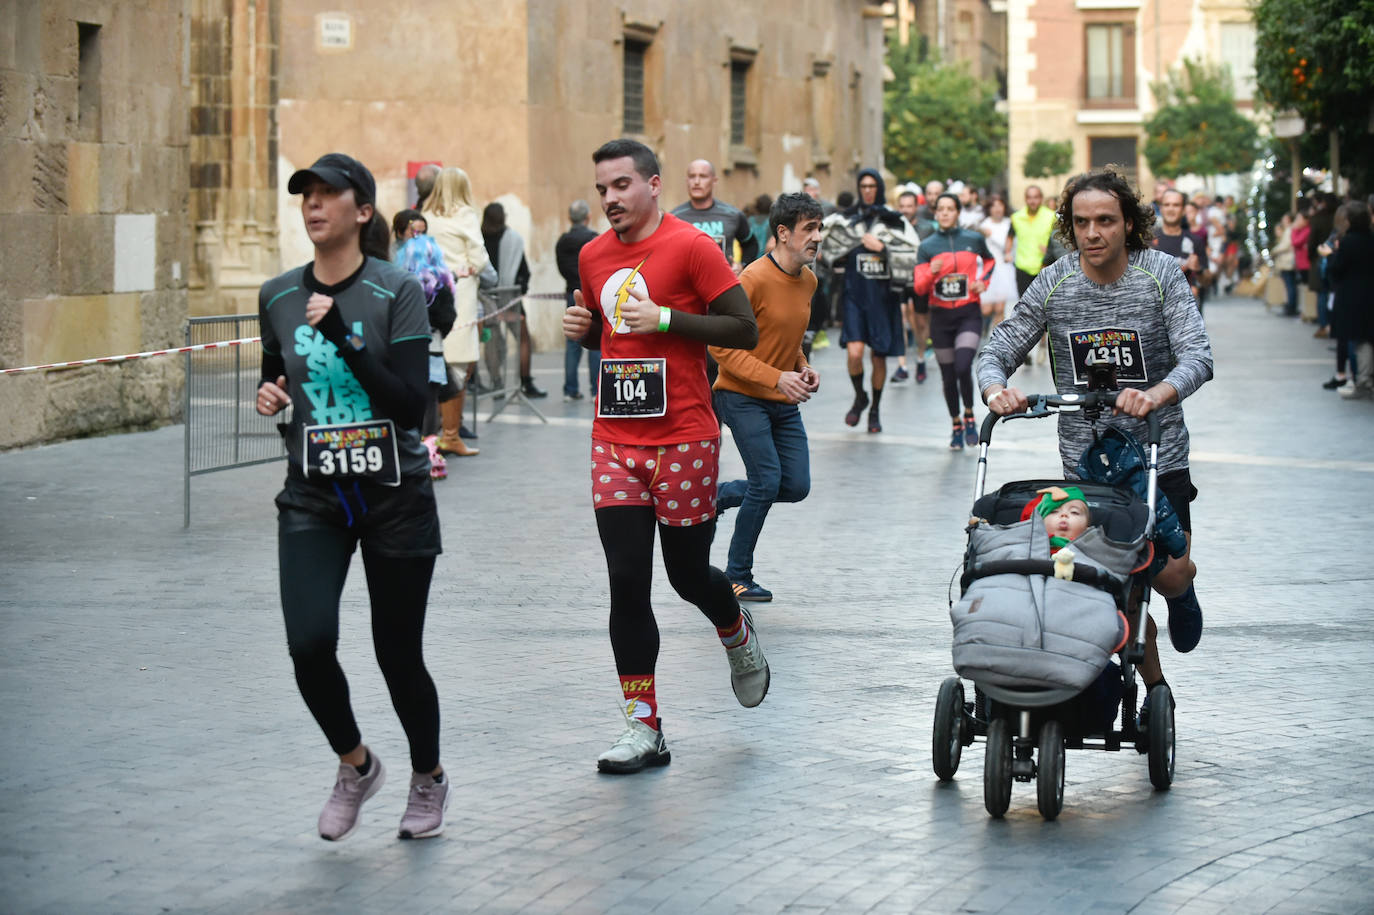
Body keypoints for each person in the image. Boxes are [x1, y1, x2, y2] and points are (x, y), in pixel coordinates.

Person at [255, 153, 450, 841]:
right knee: (309, 642)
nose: (313, 204)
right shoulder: (277, 294)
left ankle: (427, 776)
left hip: (394, 492)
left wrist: (340, 332)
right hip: (312, 492)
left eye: (328, 193)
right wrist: (267, 392)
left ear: (362, 211)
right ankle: (356, 763)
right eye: (305, 194)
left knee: (398, 653)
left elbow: (413, 407)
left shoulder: (397, 289)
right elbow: (276, 371)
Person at [978, 166, 1214, 722]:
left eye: (1105, 220)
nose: (1093, 233)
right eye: (1081, 222)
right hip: (1086, 467)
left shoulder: (1160, 274)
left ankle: (1183, 593)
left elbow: (1198, 356)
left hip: (1158, 456)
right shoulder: (1056, 281)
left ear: (1127, 222)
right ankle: (1154, 691)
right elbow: (1001, 345)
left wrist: (1155, 394)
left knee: (1166, 572)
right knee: (1108, 587)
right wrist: (996, 389)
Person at [563, 139, 768, 775]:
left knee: (685, 576)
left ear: (653, 185)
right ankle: (643, 726)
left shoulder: (693, 247)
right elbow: (614, 327)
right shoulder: (592, 255)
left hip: (684, 436)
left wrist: (670, 320)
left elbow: (742, 329)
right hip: (616, 439)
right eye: (602, 189)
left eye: (621, 185)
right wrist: (588, 331)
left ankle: (732, 627)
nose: (610, 199)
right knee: (627, 581)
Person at [711, 193, 823, 602]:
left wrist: (802, 366)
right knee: (766, 480)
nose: (817, 237)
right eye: (809, 229)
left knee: (795, 485)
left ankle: (719, 496)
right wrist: (776, 377)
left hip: (781, 397)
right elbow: (721, 348)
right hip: (740, 395)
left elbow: (784, 339)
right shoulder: (751, 280)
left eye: (818, 228)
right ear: (782, 232)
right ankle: (736, 575)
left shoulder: (809, 280)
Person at [835, 168, 918, 433]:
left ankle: (874, 410)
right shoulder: (847, 220)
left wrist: (883, 249)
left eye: (872, 186)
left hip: (883, 298)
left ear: (879, 188)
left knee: (879, 357)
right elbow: (828, 249)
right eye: (864, 186)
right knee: (855, 352)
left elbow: (913, 253)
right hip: (854, 295)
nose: (868, 190)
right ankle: (860, 396)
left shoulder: (895, 221)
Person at [912, 193, 995, 451]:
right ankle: (956, 424)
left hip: (968, 312)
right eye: (941, 209)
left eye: (950, 209)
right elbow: (919, 287)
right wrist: (930, 271)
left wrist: (983, 281)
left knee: (962, 366)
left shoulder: (973, 239)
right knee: (948, 376)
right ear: (935, 213)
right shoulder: (927, 247)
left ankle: (970, 414)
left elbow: (990, 261)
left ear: (958, 212)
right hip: (940, 318)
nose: (945, 213)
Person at [420, 167, 487, 457]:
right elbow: (479, 254)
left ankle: (432, 435)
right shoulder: (464, 214)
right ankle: (450, 435)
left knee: (437, 363)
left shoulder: (426, 213)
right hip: (461, 294)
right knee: (460, 365)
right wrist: (475, 266)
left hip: (432, 293)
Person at [394, 232, 461, 478]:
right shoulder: (441, 283)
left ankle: (409, 447)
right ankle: (430, 448)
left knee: (407, 396)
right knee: (431, 399)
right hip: (432, 348)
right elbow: (447, 319)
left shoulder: (398, 282)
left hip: (404, 352)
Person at [480, 202, 546, 399]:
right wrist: (520, 290)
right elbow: (523, 271)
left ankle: (496, 381)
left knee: (491, 341)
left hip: (485, 298)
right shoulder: (513, 239)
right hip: (510, 297)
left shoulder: (477, 239)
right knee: (523, 339)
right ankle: (525, 382)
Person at [670, 158, 757, 276]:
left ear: (714, 181)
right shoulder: (674, 217)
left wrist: (742, 265)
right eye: (692, 176)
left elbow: (751, 244)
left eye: (703, 176)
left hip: (723, 286)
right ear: (687, 180)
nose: (696, 182)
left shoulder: (732, 214)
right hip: (687, 287)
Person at [1326, 201, 1374, 398]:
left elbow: (1336, 270)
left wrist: (1332, 255)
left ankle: (1362, 381)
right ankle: (1363, 380)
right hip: (1369, 294)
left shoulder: (1347, 242)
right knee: (1367, 338)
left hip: (1352, 297)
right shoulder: (1370, 238)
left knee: (1359, 340)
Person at [556, 199, 601, 401]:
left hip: (571, 292)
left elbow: (562, 268)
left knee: (573, 341)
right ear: (588, 217)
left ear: (569, 218)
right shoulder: (595, 240)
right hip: (591, 294)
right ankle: (596, 389)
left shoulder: (562, 242)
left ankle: (570, 389)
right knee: (595, 339)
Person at [894, 187, 935, 383]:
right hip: (898, 279)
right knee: (900, 317)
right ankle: (902, 365)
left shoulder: (927, 228)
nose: (905, 210)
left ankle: (920, 359)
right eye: (902, 206)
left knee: (920, 323)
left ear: (916, 207)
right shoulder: (892, 227)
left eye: (909, 206)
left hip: (920, 281)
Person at [1150, 188, 1205, 302]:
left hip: (1187, 311)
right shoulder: (1148, 240)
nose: (1171, 209)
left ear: (1184, 210)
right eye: (1167, 205)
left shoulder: (1195, 241)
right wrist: (1185, 266)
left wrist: (1198, 269)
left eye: (1176, 205)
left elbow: (1206, 281)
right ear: (1161, 208)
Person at [978, 194, 1017, 334]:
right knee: (986, 309)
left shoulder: (1010, 223)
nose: (997, 209)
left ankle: (995, 339)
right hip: (988, 268)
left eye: (1000, 205)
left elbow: (1012, 244)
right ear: (989, 208)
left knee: (1000, 308)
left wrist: (1010, 253)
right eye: (993, 206)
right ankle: (987, 328)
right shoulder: (984, 225)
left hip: (1004, 267)